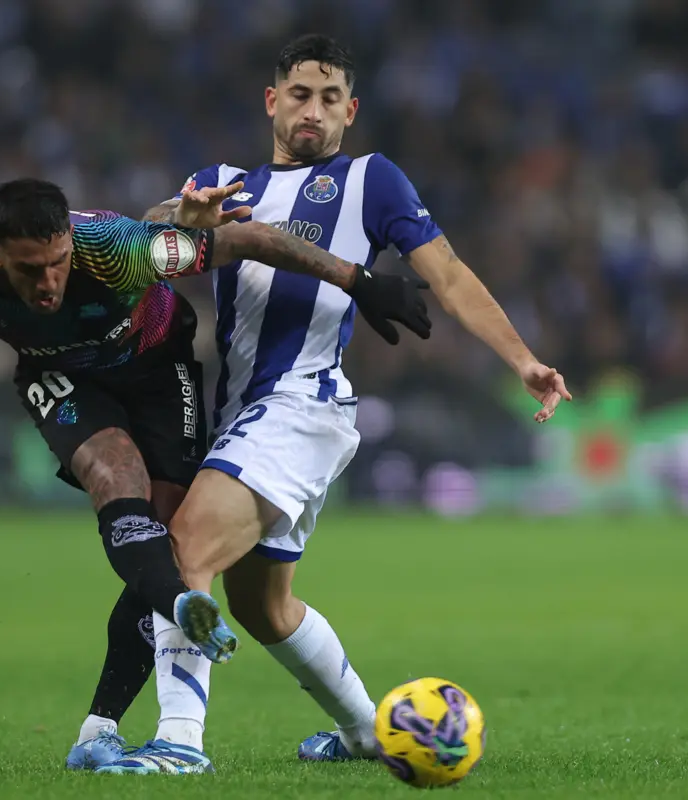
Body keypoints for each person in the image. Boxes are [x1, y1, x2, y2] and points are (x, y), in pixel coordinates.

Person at [0, 176, 432, 766]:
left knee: (170, 525)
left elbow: (249, 238)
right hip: (64, 377)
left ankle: (99, 728)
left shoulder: (119, 249)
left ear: (70, 243)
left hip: (160, 370)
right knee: (114, 479)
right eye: (28, 270)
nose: (47, 283)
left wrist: (360, 279)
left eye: (56, 263)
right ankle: (178, 626)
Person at [92, 34, 571, 776]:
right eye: (298, 95)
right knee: (263, 606)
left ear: (350, 110)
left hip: (301, 405)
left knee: (184, 550)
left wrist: (524, 361)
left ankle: (179, 746)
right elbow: (135, 242)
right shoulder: (223, 182)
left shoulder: (369, 181)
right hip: (241, 414)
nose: (311, 111)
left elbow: (446, 276)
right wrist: (180, 214)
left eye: (328, 99)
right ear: (271, 101)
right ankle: (367, 734)